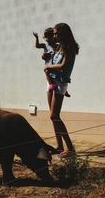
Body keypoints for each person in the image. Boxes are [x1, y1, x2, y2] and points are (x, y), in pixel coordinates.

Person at [44, 23, 79, 156]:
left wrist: (47, 67)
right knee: (52, 116)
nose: (54, 36)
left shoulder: (69, 48)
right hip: (52, 81)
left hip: (60, 83)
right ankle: (59, 146)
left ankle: (70, 148)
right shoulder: (59, 47)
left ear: (63, 33)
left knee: (54, 115)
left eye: (56, 33)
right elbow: (52, 60)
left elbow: (63, 66)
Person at [33, 28, 70, 97]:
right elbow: (37, 46)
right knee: (47, 72)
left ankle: (64, 90)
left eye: (48, 37)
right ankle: (51, 84)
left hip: (55, 63)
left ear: (53, 37)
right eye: (45, 37)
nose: (46, 39)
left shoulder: (57, 45)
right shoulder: (45, 45)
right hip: (48, 64)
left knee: (58, 78)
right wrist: (37, 38)